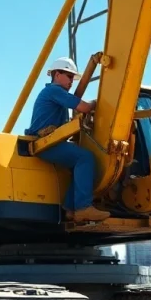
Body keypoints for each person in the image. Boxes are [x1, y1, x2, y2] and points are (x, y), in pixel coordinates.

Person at [25, 57, 111, 223]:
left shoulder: (54, 94)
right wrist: (98, 103)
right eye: (69, 76)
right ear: (57, 75)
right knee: (85, 158)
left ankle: (70, 208)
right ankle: (82, 207)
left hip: (50, 142)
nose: (72, 81)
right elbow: (85, 107)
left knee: (78, 165)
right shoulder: (55, 91)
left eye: (73, 78)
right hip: (47, 144)